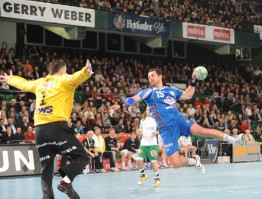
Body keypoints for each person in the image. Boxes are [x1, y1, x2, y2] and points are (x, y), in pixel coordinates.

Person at [110, 68, 244, 174]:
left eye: (152, 75)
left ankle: (234, 139)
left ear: (160, 76)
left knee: (203, 131)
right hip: (166, 130)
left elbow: (188, 95)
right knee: (175, 164)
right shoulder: (148, 92)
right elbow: (134, 98)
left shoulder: (171, 90)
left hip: (179, 121)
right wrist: (121, 105)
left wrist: (193, 81)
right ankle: (194, 161)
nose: (150, 78)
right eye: (149, 76)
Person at [0, 59, 93, 199]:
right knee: (83, 157)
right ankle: (66, 181)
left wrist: (10, 79)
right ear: (62, 71)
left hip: (40, 132)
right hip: (57, 129)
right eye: (65, 70)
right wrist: (85, 72)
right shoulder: (62, 80)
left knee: (46, 170)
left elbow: (24, 84)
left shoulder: (39, 82)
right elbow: (75, 77)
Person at [136, 107, 160, 187]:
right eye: (147, 109)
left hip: (152, 144)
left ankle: (157, 178)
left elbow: (163, 129)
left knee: (153, 162)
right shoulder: (142, 121)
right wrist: (138, 133)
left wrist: (157, 132)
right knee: (139, 159)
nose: (148, 111)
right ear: (146, 111)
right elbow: (140, 132)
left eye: (150, 109)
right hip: (143, 144)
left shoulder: (156, 120)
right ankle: (143, 175)